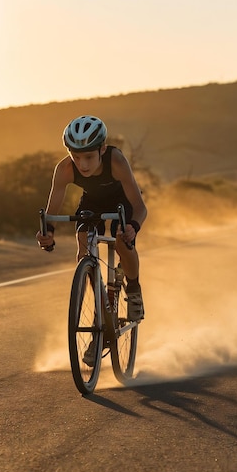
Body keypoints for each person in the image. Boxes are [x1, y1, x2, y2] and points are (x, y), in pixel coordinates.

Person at [36, 114, 147, 329]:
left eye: (88, 157)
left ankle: (133, 290)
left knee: (122, 240)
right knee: (82, 243)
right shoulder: (64, 169)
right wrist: (47, 233)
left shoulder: (116, 160)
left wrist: (134, 226)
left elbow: (141, 207)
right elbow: (52, 210)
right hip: (93, 201)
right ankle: (101, 305)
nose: (82, 164)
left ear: (102, 149)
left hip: (122, 200)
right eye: (76, 157)